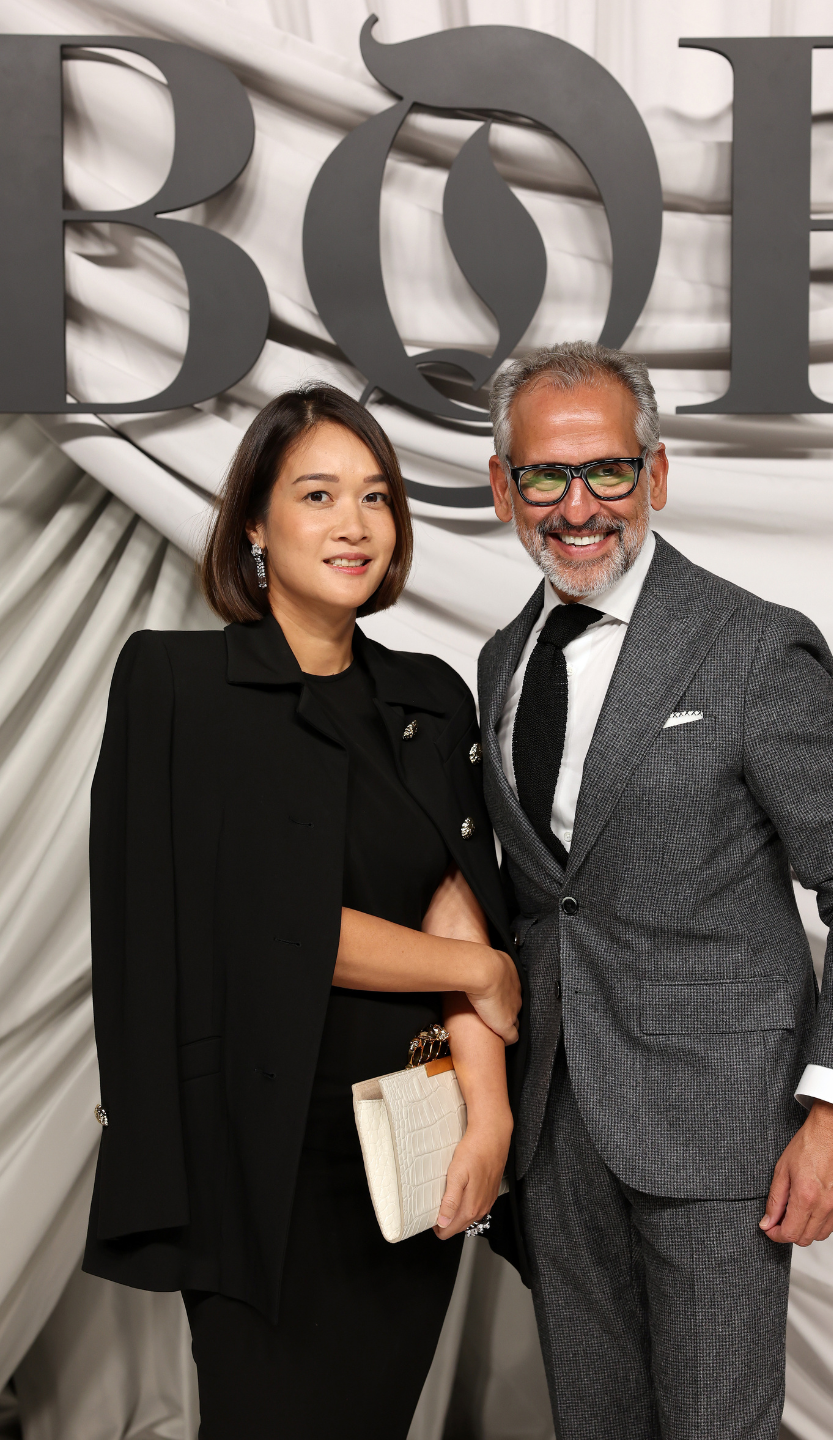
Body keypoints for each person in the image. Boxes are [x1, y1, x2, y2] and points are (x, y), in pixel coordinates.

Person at [477, 342, 833, 1440]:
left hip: (723, 1127)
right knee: (595, 1423)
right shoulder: (500, 663)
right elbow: (549, 903)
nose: (579, 506)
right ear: (504, 488)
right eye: (545, 476)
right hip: (554, 1125)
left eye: (608, 472)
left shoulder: (750, 645)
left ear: (657, 476)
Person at [84, 385, 522, 1439]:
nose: (353, 524)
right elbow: (263, 929)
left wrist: (490, 1112)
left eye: (376, 498)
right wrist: (479, 973)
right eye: (318, 494)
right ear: (254, 524)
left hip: (413, 1146)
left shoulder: (429, 697)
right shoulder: (178, 686)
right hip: (248, 1157)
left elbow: (461, 900)